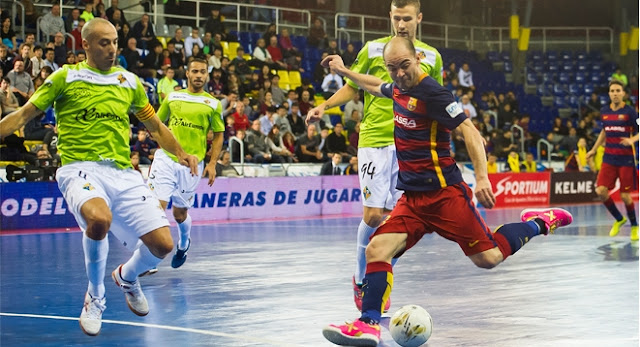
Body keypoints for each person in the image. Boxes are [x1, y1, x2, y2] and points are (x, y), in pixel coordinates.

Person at [320, 36, 574, 347]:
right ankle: (368, 323)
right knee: (376, 249)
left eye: (405, 66)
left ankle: (540, 222)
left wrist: (482, 178)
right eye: (392, 68)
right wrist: (346, 71)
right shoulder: (397, 85)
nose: (399, 73)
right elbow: (375, 85)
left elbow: (469, 131)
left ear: (417, 60)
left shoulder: (434, 94)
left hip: (445, 196)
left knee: (489, 258)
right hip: (412, 200)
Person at [0, 18, 199, 337]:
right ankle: (96, 296)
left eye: (115, 42)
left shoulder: (129, 82)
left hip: (123, 172)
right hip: (80, 168)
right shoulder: (65, 77)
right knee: (98, 219)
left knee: (162, 245)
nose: (112, 48)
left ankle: (127, 276)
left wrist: (182, 154)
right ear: (86, 45)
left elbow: (157, 128)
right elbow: (24, 115)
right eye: (104, 42)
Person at [306, 0, 444, 312]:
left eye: (407, 18)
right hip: (374, 140)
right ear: (390, 17)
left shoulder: (432, 56)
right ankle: (360, 277)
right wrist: (324, 106)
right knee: (372, 216)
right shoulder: (372, 50)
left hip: (410, 144)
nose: (402, 24)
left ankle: (380, 281)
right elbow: (353, 88)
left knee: (400, 221)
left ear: (418, 18)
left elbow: (435, 99)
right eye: (397, 18)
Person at [148, 58, 224, 268]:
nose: (199, 75)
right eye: (195, 72)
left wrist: (212, 163)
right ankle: (149, 260)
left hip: (192, 165)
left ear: (207, 75)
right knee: (155, 209)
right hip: (166, 159)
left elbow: (218, 135)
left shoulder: (213, 104)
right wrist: (158, 138)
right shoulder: (173, 97)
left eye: (203, 72)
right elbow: (155, 123)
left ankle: (183, 244)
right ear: (187, 74)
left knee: (179, 213)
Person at [586, 80, 639, 241]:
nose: (615, 93)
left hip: (626, 160)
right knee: (601, 191)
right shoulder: (604, 111)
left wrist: (632, 140)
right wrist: (593, 150)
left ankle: (635, 226)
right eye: (612, 91)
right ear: (609, 94)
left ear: (623, 93)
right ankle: (619, 219)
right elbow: (604, 131)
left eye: (618, 90)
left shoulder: (630, 112)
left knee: (625, 196)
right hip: (608, 158)